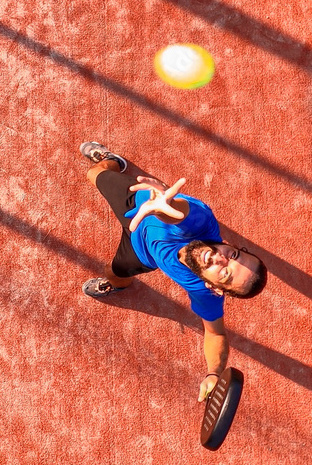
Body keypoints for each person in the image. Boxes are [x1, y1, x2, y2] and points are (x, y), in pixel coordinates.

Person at [78, 142, 267, 402]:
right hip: (138, 204)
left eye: (225, 274)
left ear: (215, 288)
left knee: (114, 273)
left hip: (140, 253)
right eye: (233, 255)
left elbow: (216, 333)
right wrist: (165, 206)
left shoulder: (204, 293)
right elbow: (183, 215)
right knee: (94, 174)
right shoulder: (202, 222)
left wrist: (214, 373)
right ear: (233, 247)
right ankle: (112, 161)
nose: (221, 259)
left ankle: (118, 284)